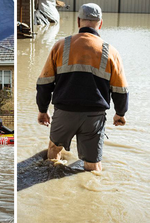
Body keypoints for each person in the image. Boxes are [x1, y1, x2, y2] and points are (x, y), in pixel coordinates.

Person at [36, 3, 128, 171]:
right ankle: (91, 192)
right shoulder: (111, 51)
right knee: (93, 165)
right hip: (94, 116)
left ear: (78, 21)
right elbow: (121, 89)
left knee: (53, 151)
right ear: (100, 23)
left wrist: (43, 110)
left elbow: (44, 82)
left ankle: (52, 180)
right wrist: (120, 113)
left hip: (64, 112)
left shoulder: (60, 46)